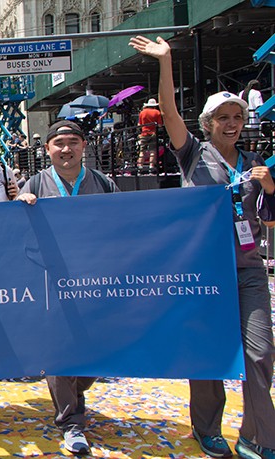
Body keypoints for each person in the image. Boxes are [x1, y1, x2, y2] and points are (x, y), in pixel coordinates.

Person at [130, 35, 275, 459]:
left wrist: (270, 186)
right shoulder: (193, 154)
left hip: (248, 270)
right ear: (208, 123)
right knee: (209, 354)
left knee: (260, 353)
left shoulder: (255, 164)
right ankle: (207, 428)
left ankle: (258, 435)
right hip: (204, 272)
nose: (231, 123)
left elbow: (269, 217)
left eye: (237, 116)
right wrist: (166, 61)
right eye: (222, 117)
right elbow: (169, 111)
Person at [16, 120, 118, 455]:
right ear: (47, 149)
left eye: (73, 142)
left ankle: (75, 394)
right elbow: (16, 236)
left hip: (95, 279)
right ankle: (71, 422)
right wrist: (21, 207)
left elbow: (125, 225)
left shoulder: (103, 183)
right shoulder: (33, 184)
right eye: (59, 143)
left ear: (84, 146)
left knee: (97, 352)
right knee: (58, 350)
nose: (66, 149)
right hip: (51, 282)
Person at [137, 98, 163, 173]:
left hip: (144, 133)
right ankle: (151, 167)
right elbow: (160, 125)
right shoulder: (157, 112)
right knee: (152, 151)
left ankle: (140, 167)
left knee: (142, 151)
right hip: (153, 134)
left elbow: (139, 124)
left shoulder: (142, 112)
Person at [239, 80, 264, 152]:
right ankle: (252, 157)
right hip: (253, 121)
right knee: (254, 140)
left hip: (243, 120)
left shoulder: (241, 93)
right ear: (255, 86)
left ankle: (246, 157)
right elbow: (259, 106)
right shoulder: (256, 93)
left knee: (246, 141)